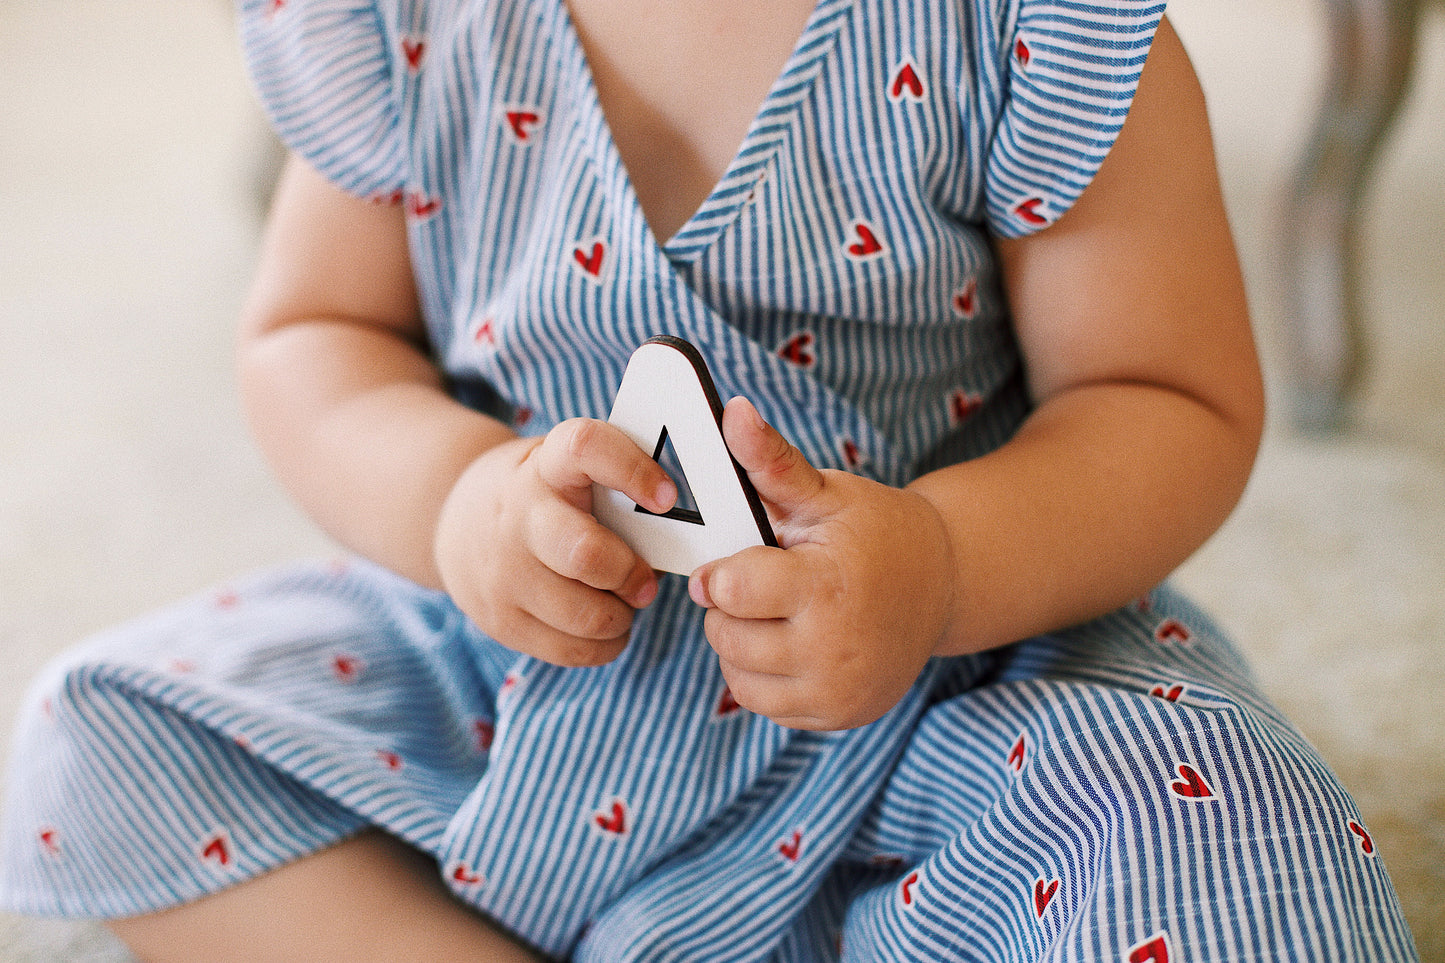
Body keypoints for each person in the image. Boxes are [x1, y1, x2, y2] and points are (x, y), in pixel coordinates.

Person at [0, 0, 1420, 958]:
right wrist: (454, 503)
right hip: (513, 668)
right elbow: (315, 336)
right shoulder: (406, 23)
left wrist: (939, 566)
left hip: (948, 688)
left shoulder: (1031, 30)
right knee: (98, 736)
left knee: (1218, 837)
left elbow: (1164, 396)